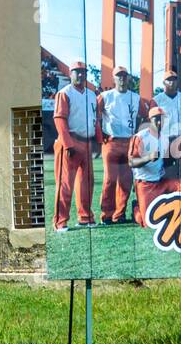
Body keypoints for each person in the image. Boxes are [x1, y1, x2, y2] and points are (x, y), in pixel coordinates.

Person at [52, 60, 101, 231]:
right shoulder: (64, 93)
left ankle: (85, 217)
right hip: (70, 141)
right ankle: (60, 222)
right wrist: (67, 144)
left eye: (83, 72)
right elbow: (59, 119)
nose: (80, 74)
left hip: (86, 142)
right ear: (70, 73)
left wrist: (99, 141)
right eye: (76, 71)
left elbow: (96, 120)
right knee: (65, 184)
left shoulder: (91, 94)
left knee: (87, 183)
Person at [97, 65, 144, 224]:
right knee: (110, 179)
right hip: (111, 141)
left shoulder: (135, 97)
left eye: (124, 76)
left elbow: (146, 116)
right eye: (119, 76)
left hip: (129, 141)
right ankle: (106, 215)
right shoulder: (105, 96)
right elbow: (95, 116)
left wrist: (139, 134)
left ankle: (119, 214)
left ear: (128, 78)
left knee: (126, 180)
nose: (122, 79)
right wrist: (99, 134)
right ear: (114, 78)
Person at [128, 105, 171, 228]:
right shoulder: (140, 137)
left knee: (163, 220)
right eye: (156, 118)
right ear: (149, 120)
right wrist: (148, 158)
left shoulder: (164, 138)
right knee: (148, 223)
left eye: (161, 119)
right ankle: (136, 209)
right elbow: (131, 162)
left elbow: (165, 162)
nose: (159, 122)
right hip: (144, 182)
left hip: (159, 182)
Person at [154, 69, 181, 139]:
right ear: (164, 82)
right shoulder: (157, 100)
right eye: (169, 80)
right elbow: (152, 121)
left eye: (174, 80)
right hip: (164, 137)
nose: (172, 82)